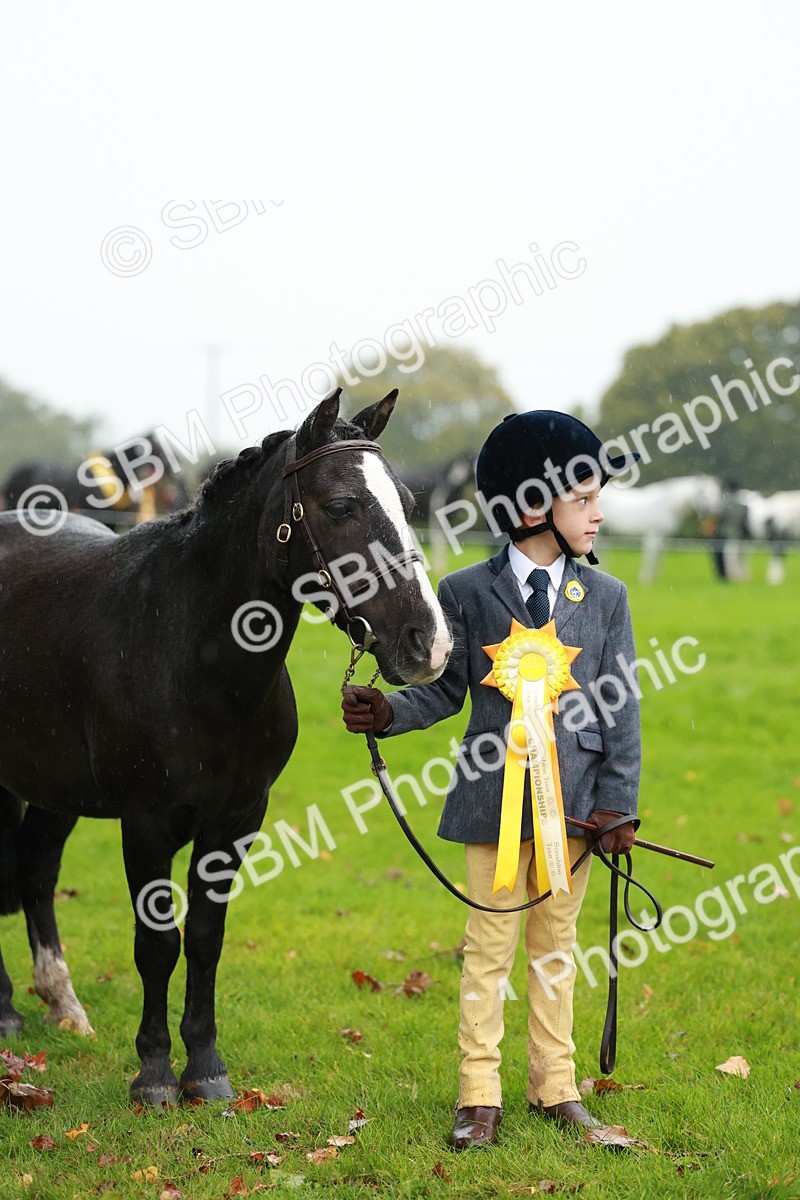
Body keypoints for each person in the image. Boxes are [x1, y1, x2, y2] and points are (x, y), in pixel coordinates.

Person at [342, 410, 643, 1151]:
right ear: (535, 506)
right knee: (488, 950)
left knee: (555, 949)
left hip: (572, 813)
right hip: (490, 808)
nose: (599, 513)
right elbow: (445, 691)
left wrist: (617, 804)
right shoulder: (466, 590)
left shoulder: (606, 601)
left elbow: (621, 709)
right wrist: (388, 711)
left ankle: (556, 1087)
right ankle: (479, 1094)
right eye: (584, 500)